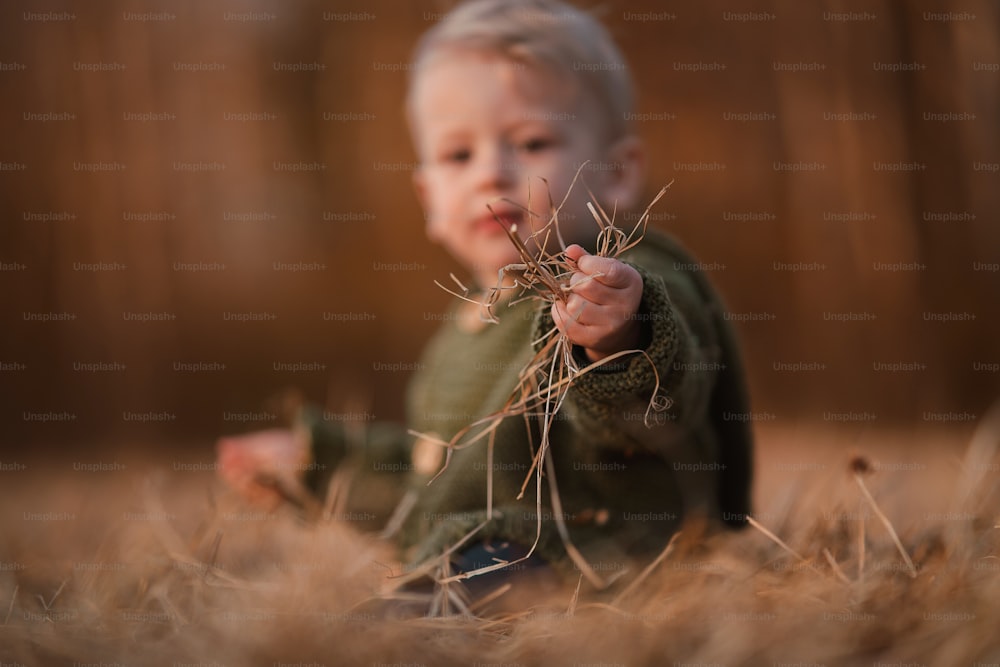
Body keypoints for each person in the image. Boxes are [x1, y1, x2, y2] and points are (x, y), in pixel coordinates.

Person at [217, 0, 753, 602]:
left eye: (530, 141)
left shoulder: (631, 278)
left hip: (592, 548)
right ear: (428, 198)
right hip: (485, 544)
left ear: (618, 172)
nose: (491, 174)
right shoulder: (467, 324)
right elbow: (435, 485)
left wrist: (618, 338)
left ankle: (442, 605)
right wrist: (318, 464)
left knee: (480, 572)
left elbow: (663, 397)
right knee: (459, 561)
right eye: (458, 155)